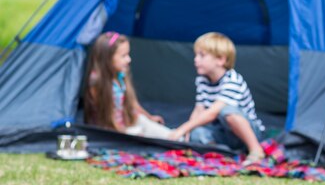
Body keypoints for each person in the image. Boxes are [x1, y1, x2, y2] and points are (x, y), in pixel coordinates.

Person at [167, 32, 266, 165]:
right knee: (197, 132)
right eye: (196, 55)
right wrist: (188, 134)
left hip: (248, 133)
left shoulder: (232, 80)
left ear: (221, 60)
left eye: (202, 55)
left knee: (227, 111)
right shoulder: (202, 80)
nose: (196, 59)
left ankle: (255, 149)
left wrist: (182, 129)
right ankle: (219, 154)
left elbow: (213, 112)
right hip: (224, 134)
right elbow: (199, 110)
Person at [84, 32, 173, 139]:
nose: (128, 60)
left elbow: (132, 103)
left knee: (146, 123)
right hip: (111, 129)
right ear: (107, 58)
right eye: (123, 56)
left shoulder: (120, 74)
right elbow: (107, 117)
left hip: (126, 122)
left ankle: (174, 136)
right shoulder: (97, 82)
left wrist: (149, 117)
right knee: (140, 134)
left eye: (128, 54)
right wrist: (126, 134)